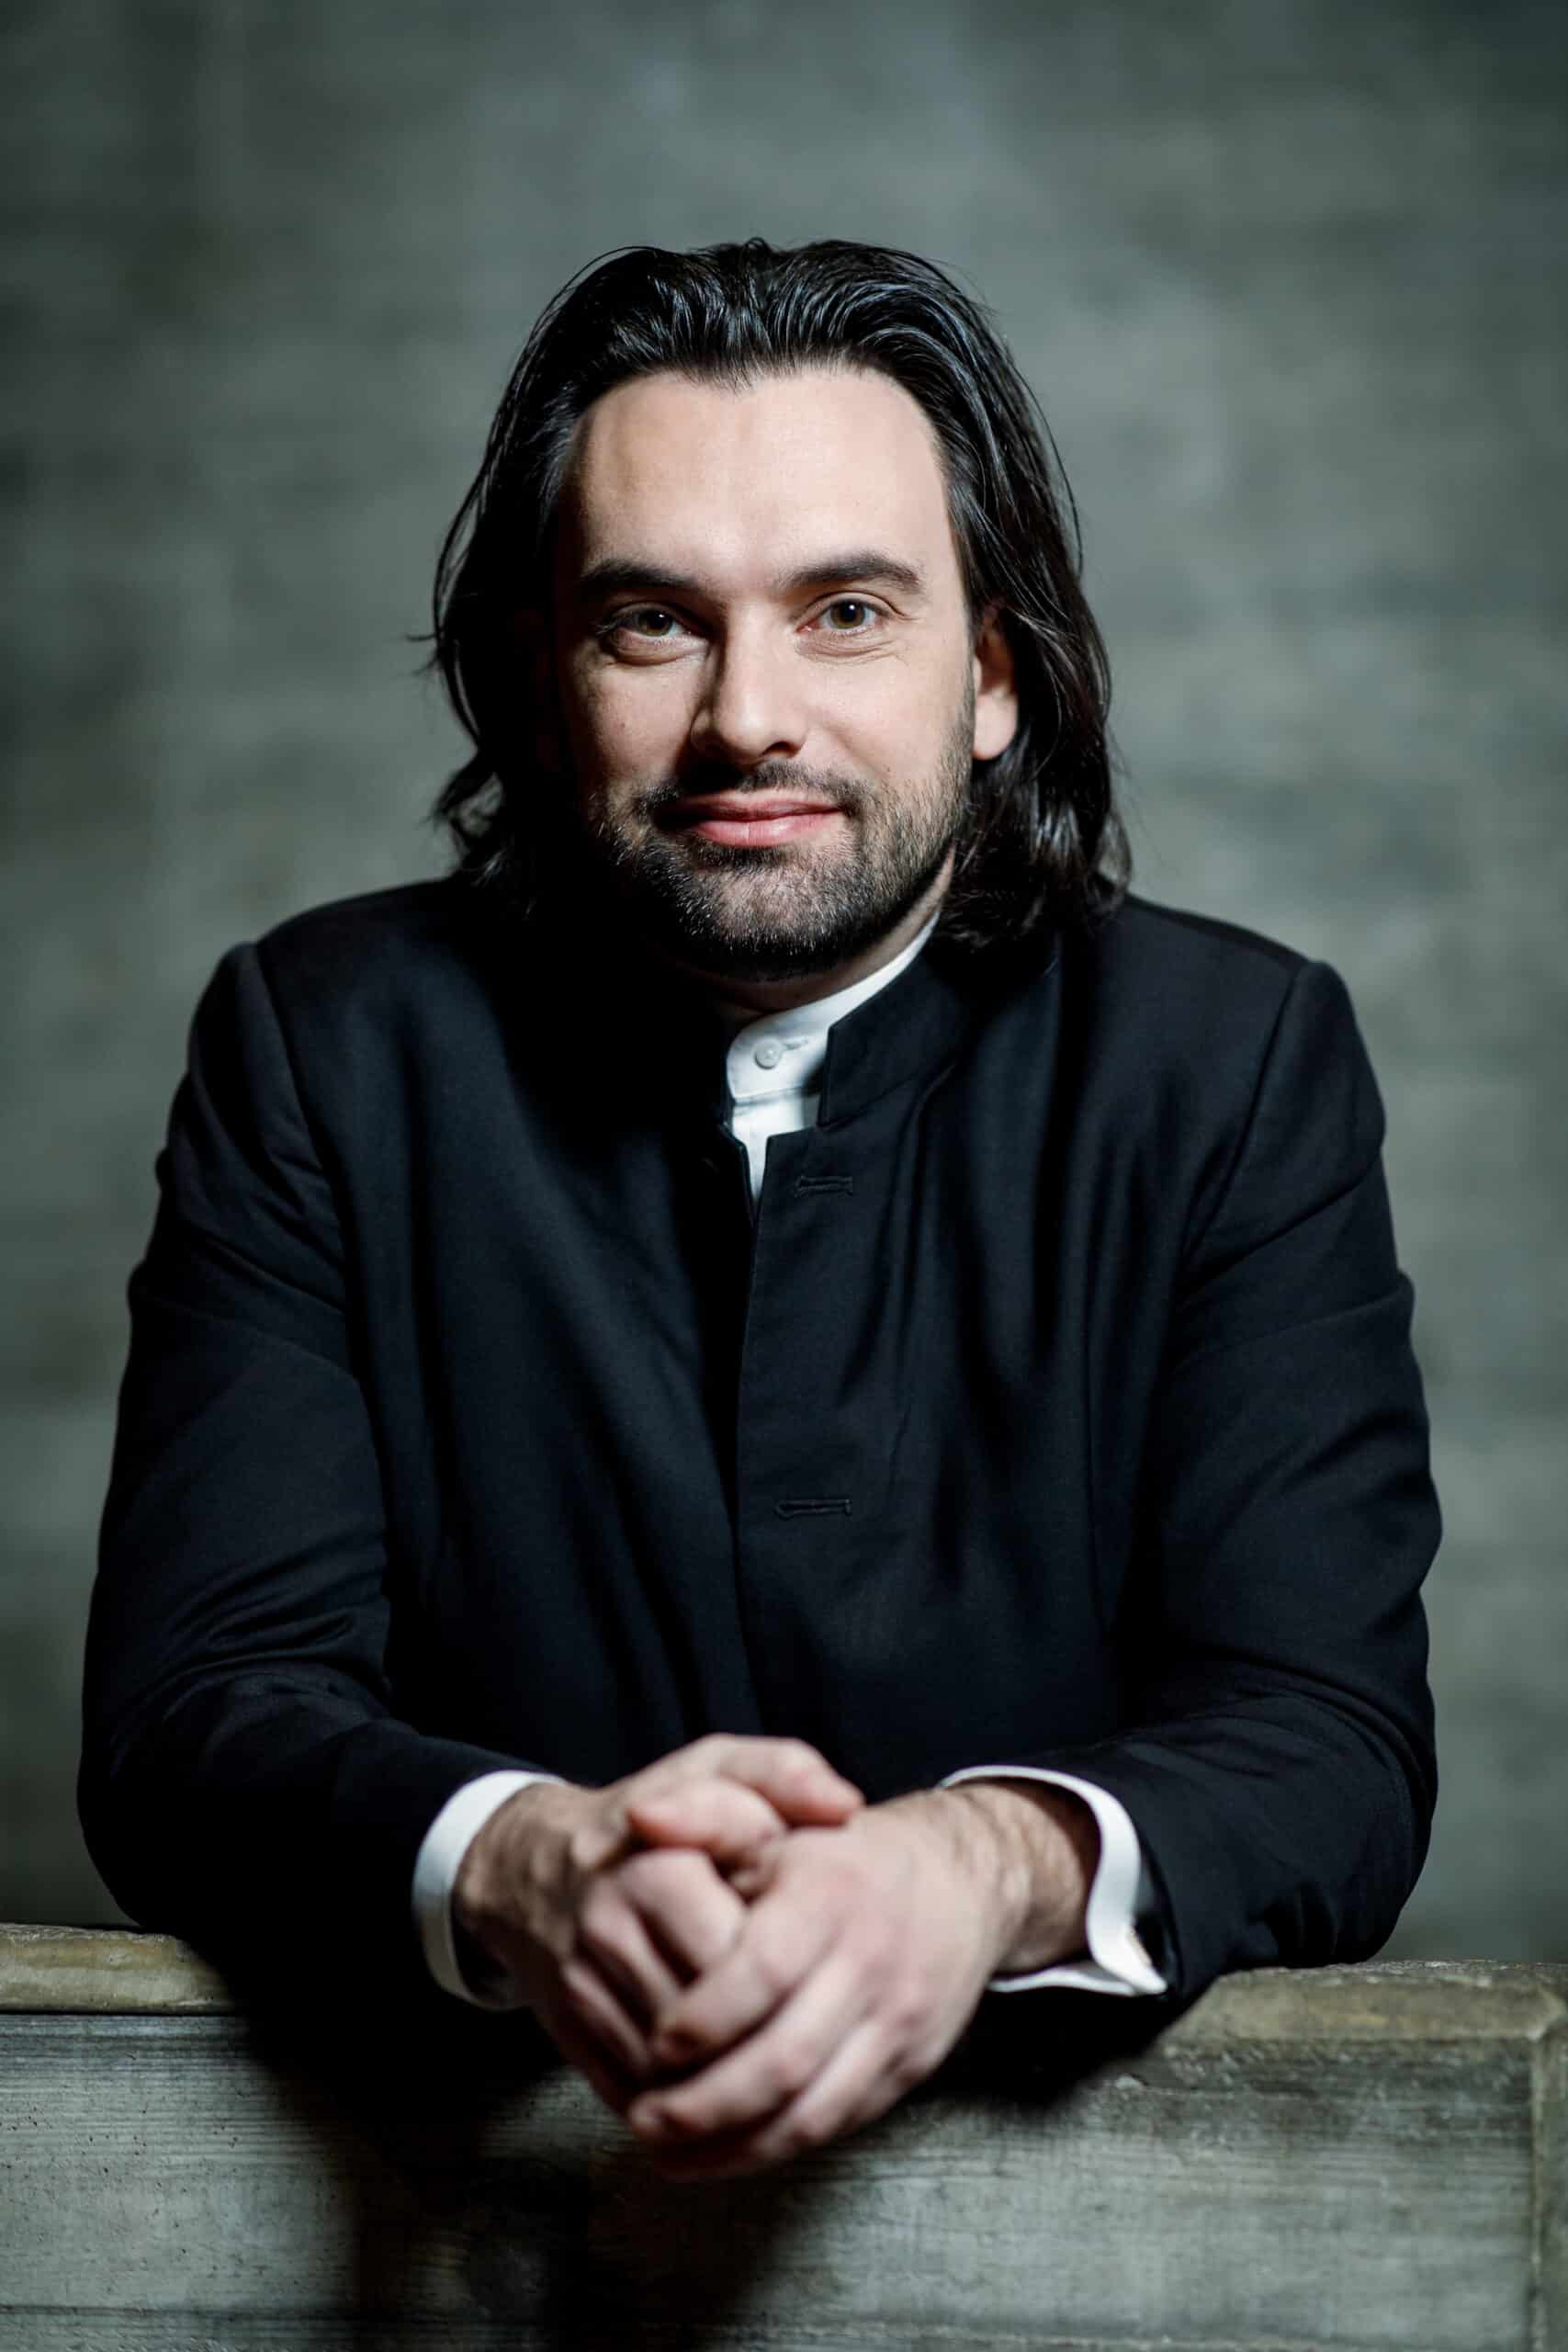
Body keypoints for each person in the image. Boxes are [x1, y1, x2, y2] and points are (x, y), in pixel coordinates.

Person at [81, 237, 1439, 2184]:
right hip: (468, 2221)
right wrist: (526, 1859)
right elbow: (192, 1719)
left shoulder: (1228, 1064)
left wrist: (980, 1867)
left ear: (992, 675)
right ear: (541, 680)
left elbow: (1325, 1742)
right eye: (652, 622)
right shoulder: (320, 1046)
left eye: (846, 612)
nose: (748, 717)